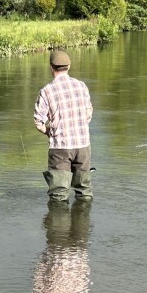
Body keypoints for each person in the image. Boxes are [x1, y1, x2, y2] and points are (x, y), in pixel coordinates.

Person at [33, 49, 93, 201]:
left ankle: (58, 224)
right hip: (83, 146)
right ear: (69, 66)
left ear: (51, 67)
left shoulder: (46, 91)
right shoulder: (82, 86)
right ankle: (82, 223)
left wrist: (49, 131)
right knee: (84, 192)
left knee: (59, 195)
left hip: (60, 147)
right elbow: (88, 115)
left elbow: (38, 122)